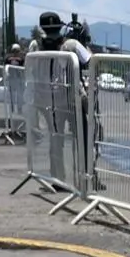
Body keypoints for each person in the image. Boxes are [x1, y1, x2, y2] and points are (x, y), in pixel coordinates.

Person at [26, 11, 102, 190]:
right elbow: (92, 61)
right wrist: (83, 42)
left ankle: (58, 180)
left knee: (56, 141)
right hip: (72, 99)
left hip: (47, 102)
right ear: (61, 26)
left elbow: (27, 69)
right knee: (84, 139)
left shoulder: (35, 46)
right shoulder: (71, 44)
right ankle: (87, 179)